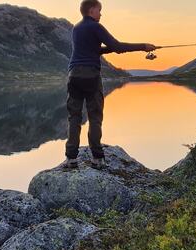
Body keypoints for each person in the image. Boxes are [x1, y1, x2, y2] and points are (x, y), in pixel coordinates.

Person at [65, 0, 157, 169]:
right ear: (92, 10)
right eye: (99, 10)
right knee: (95, 117)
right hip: (91, 75)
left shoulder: (76, 28)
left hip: (73, 75)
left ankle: (71, 158)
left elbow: (95, 50)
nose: (101, 14)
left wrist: (110, 49)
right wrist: (143, 46)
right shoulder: (96, 27)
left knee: (74, 117)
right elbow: (118, 46)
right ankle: (97, 158)